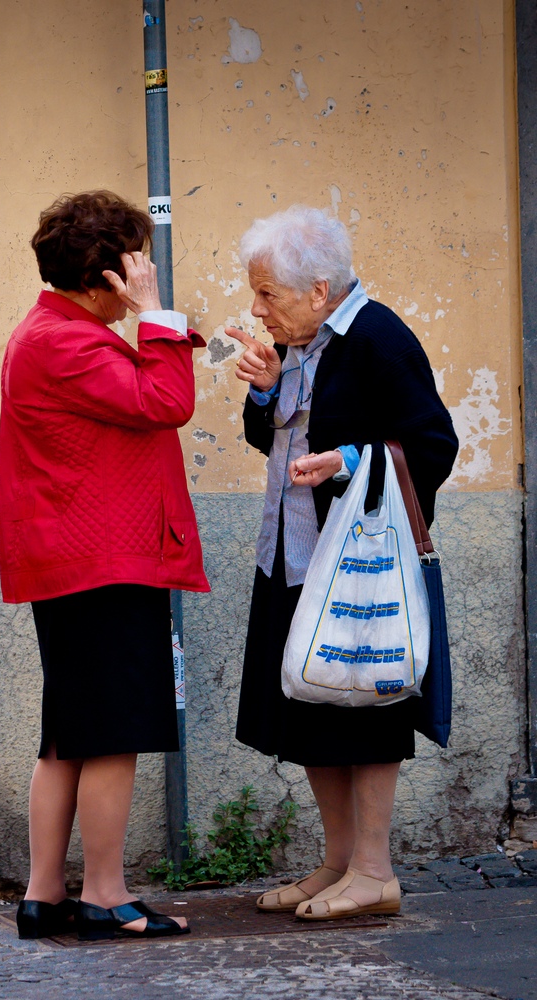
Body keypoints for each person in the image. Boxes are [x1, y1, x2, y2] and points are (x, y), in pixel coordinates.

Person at [226, 205, 457, 921]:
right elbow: (274, 437)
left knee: (366, 712)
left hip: (354, 566)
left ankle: (375, 872)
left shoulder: (378, 338)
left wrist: (350, 461)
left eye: (268, 294)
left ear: (318, 291)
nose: (257, 309)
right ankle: (337, 863)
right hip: (290, 557)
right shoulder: (301, 341)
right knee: (311, 710)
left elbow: (433, 443)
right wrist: (264, 389)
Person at [0, 190, 209, 940]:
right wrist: (155, 311)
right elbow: (166, 402)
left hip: (81, 560)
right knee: (110, 733)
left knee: (69, 737)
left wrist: (159, 325)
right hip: (102, 562)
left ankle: (44, 893)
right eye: (136, 261)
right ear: (109, 274)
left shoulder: (57, 330)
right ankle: (106, 895)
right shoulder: (67, 340)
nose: (145, 269)